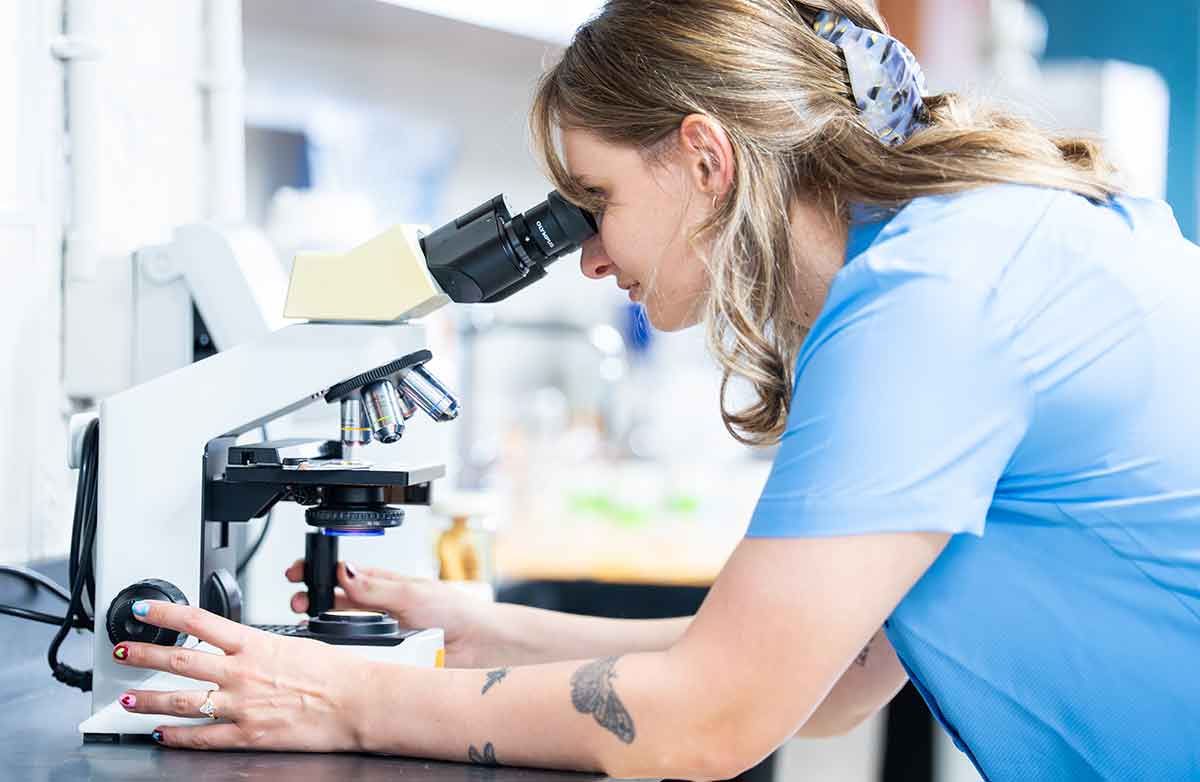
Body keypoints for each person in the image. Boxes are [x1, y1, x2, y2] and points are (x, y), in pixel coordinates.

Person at [111, 1, 1200, 779]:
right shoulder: (970, 248)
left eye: (596, 201)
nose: (587, 255)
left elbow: (711, 722)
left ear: (705, 158)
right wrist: (480, 628)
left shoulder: (930, 302)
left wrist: (339, 704)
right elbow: (835, 672)